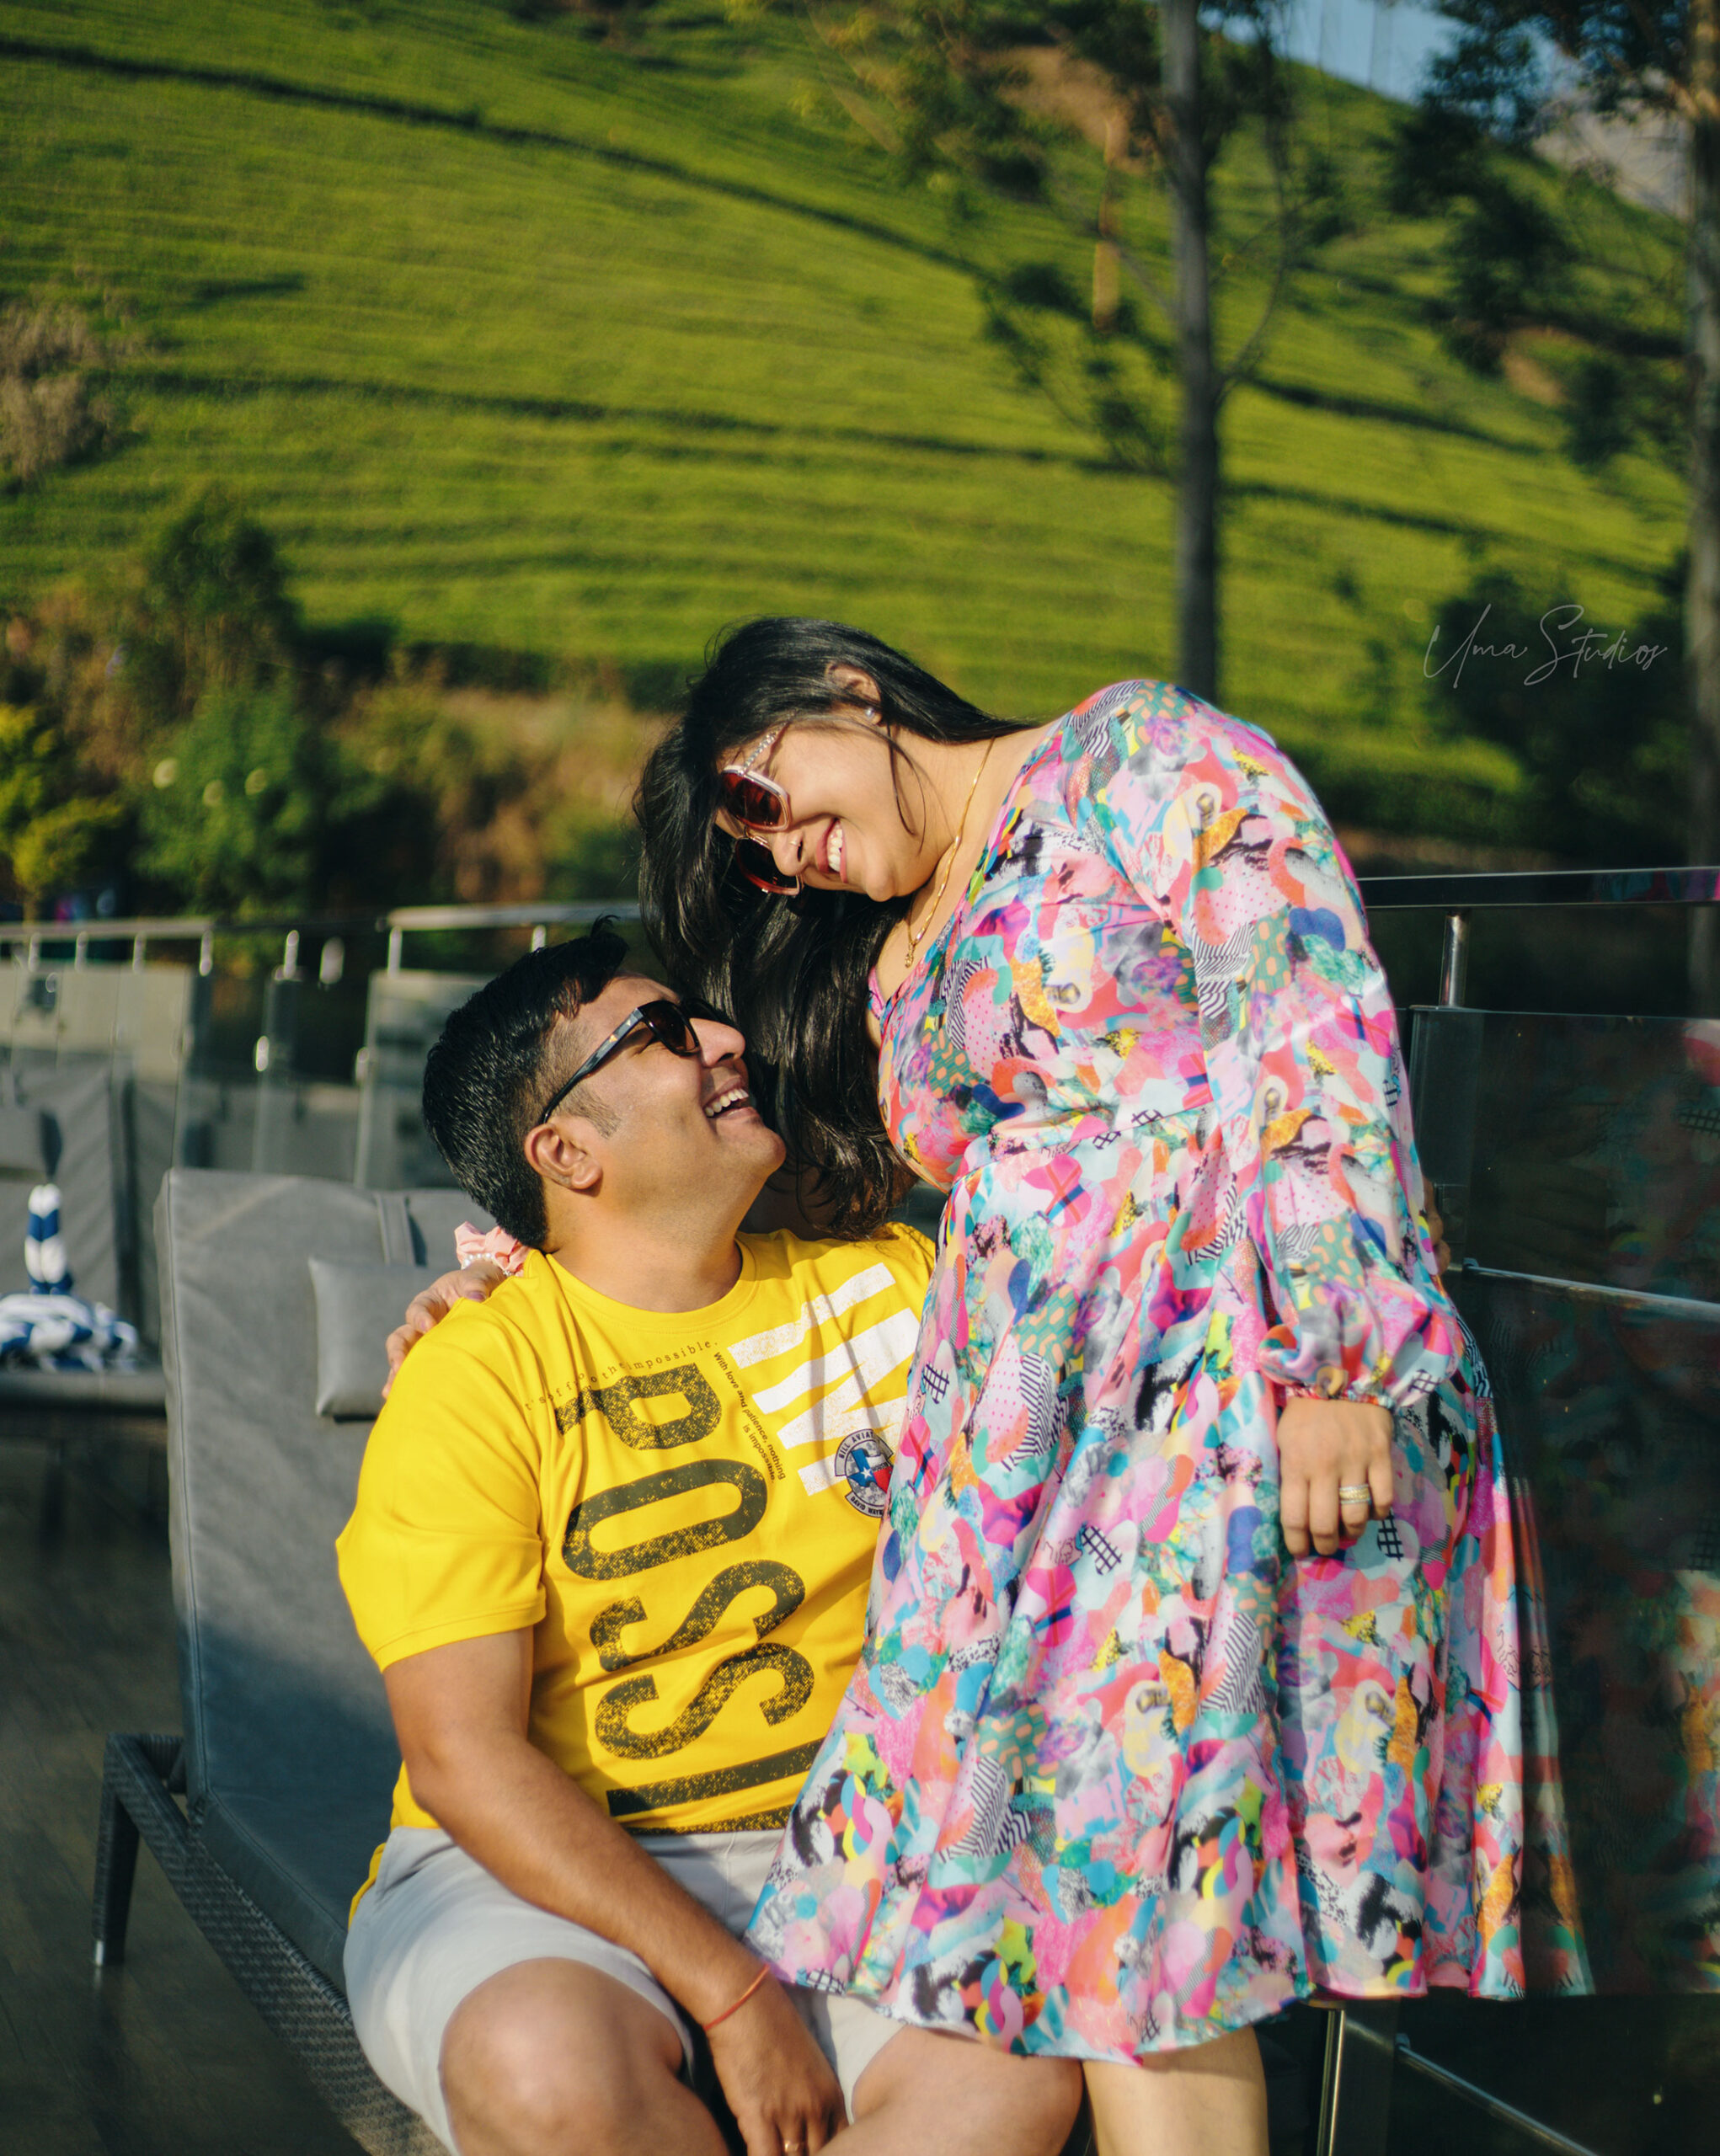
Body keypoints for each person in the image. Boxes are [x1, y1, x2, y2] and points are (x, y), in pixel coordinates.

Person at [625, 622, 1531, 2156]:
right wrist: (524, 1256)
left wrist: (1340, 1361)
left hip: (1214, 1395)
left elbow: (1307, 1031)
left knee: (1140, 1930)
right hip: (1022, 1482)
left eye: (757, 799)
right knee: (1090, 1917)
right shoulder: (893, 943)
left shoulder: (1140, 756)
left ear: (844, 690)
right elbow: (773, 1175)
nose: (780, 856)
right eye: (752, 860)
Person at [338, 926, 1082, 2156]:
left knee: (1013, 2073)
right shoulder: (476, 1375)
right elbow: (463, 1758)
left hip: (855, 1847)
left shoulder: (896, 1290)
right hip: (537, 1877)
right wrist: (734, 1995)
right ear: (565, 1152)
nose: (727, 1040)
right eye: (664, 1034)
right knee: (541, 2064)